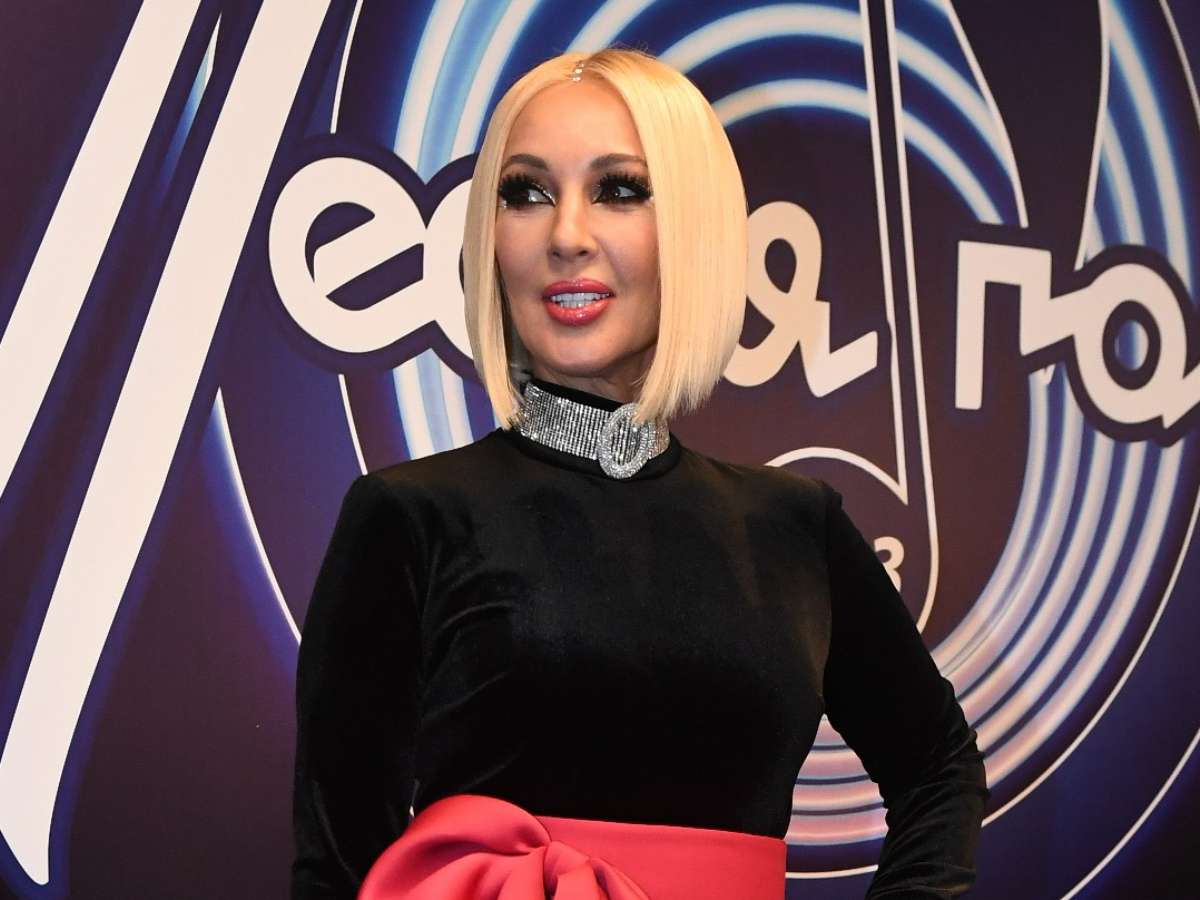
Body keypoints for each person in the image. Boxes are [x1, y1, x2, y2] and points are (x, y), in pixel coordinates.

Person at [291, 47, 988, 900]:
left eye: (619, 190)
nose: (566, 235)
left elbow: (938, 765)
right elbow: (336, 867)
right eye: (525, 192)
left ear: (694, 229)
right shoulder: (409, 516)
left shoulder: (796, 526)